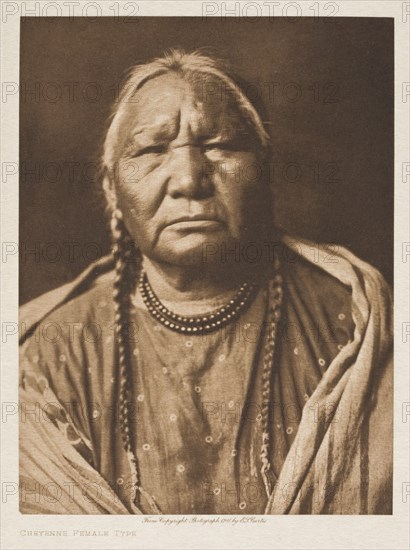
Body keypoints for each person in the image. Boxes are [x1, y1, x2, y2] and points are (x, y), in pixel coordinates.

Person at [19, 49, 393, 515]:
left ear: (265, 169)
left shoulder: (357, 324)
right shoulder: (45, 358)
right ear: (112, 189)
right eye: (153, 150)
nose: (190, 179)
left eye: (220, 145)